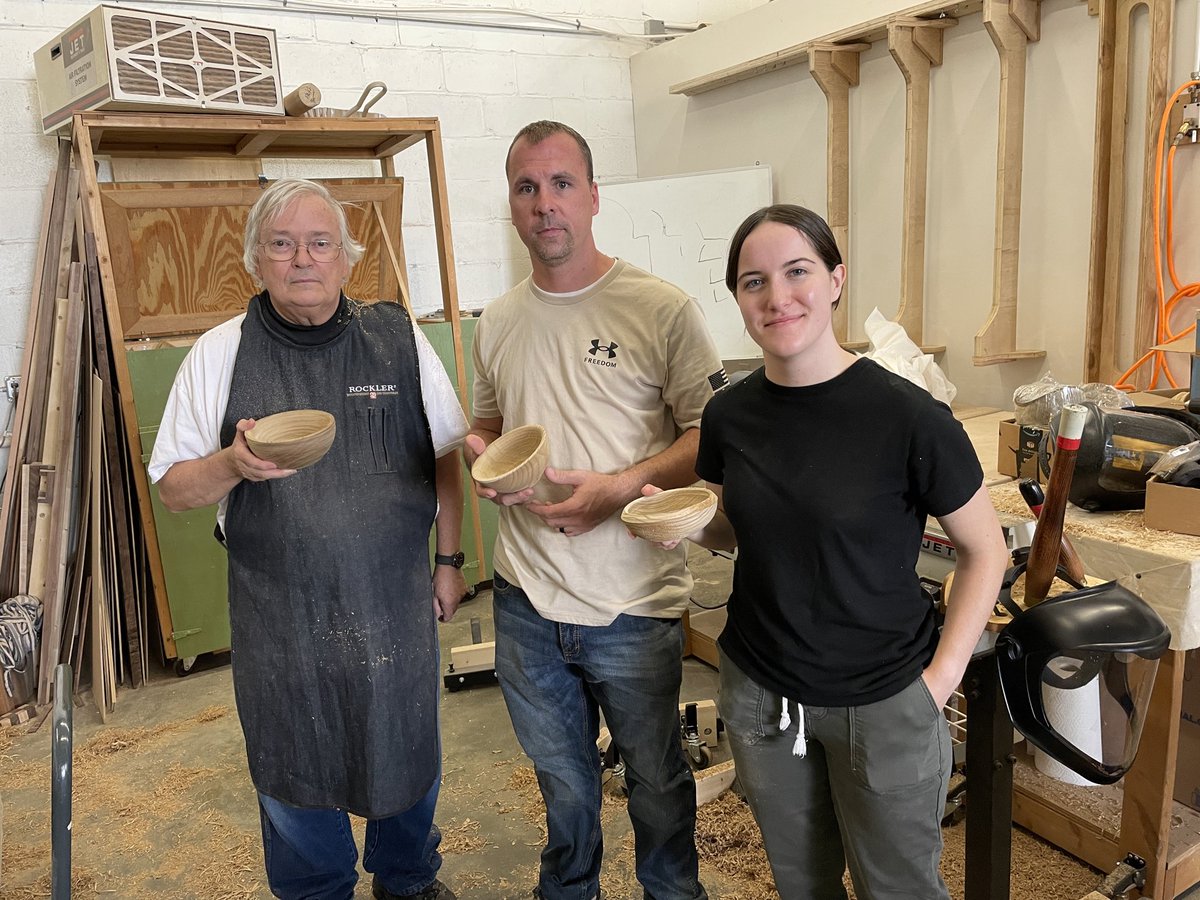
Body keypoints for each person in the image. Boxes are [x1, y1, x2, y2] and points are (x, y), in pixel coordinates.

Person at [640, 205, 1009, 899]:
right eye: (754, 282)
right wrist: (690, 524)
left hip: (884, 698)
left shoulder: (909, 418)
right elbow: (735, 529)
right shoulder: (730, 415)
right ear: (739, 300)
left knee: (896, 889)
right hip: (763, 693)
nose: (777, 297)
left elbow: (984, 552)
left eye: (797, 272)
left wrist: (937, 687)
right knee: (802, 885)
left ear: (836, 280)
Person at [148, 178, 468, 900]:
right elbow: (172, 489)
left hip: (392, 603)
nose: (303, 259)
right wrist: (232, 463)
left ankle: (409, 880)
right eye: (282, 243)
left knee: (407, 743)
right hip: (281, 618)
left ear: (346, 258)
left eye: (320, 242)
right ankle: (317, 891)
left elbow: (445, 454)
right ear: (257, 260)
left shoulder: (397, 337)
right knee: (295, 761)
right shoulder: (219, 353)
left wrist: (449, 562)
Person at [463, 121, 725, 900]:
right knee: (564, 787)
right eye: (527, 187)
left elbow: (708, 433)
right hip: (526, 600)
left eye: (561, 183)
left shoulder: (661, 309)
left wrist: (618, 488)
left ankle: (672, 894)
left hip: (633, 601)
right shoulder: (498, 320)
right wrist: (483, 459)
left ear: (594, 196)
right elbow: (486, 426)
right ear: (512, 205)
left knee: (655, 781)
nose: (546, 204)